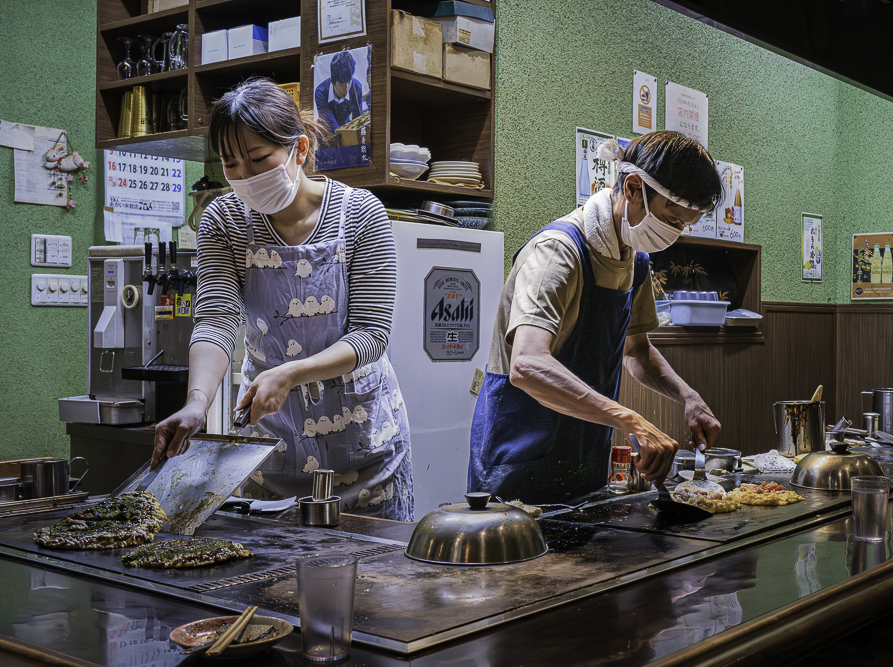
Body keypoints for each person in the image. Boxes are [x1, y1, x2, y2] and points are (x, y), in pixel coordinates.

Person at [152, 77, 413, 521]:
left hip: (366, 456)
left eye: (258, 159)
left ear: (300, 150)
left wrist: (290, 373)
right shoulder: (224, 221)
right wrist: (198, 402)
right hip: (270, 451)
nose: (246, 177)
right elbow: (216, 319)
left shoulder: (360, 214)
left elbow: (370, 336)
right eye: (231, 164)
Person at [468, 131, 723, 503]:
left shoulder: (634, 261)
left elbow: (636, 351)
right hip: (516, 462)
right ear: (633, 188)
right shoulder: (556, 253)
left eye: (684, 225)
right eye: (671, 219)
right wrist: (631, 420)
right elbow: (527, 365)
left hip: (584, 462)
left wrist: (688, 396)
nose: (674, 234)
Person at [314, 51, 364, 131]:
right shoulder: (321, 92)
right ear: (332, 81)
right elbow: (330, 123)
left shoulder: (356, 87)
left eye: (348, 83)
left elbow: (358, 120)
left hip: (345, 130)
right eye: (342, 85)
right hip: (326, 133)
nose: (346, 88)